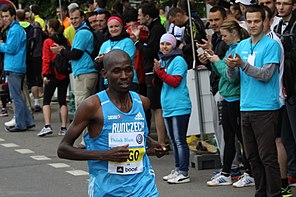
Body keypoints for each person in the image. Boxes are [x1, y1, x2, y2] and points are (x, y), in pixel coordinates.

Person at [57, 49, 167, 196]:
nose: (124, 76)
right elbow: (63, 149)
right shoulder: (93, 106)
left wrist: (151, 144)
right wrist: (104, 155)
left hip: (144, 188)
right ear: (105, 74)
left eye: (128, 70)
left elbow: (133, 134)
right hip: (108, 191)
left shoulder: (142, 102)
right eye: (117, 71)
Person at [226, 5, 282, 196]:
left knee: (267, 157)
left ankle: (274, 193)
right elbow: (233, 77)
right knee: (252, 157)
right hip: (245, 106)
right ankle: (260, 192)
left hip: (265, 107)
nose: (252, 25)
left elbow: (266, 74)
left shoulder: (272, 44)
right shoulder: (241, 45)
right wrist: (231, 66)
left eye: (256, 21)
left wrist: (242, 64)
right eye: (249, 21)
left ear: (266, 21)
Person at [199, 19, 254, 187]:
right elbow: (221, 72)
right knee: (229, 137)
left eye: (224, 35)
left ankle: (250, 173)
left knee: (242, 138)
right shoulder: (230, 48)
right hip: (228, 97)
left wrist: (216, 61)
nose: (222, 39)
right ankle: (226, 172)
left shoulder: (240, 49)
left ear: (234, 33)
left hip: (237, 97)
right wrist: (210, 59)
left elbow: (232, 76)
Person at [153, 33, 191, 184]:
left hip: (180, 106)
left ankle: (184, 171)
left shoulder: (178, 60)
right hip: (168, 106)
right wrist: (158, 72)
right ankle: (177, 169)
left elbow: (175, 81)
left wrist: (160, 72)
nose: (164, 47)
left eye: (168, 44)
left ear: (174, 45)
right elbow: (160, 82)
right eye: (162, 44)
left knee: (180, 140)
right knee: (174, 141)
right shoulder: (164, 61)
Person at [131, 3, 167, 146]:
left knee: (156, 107)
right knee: (155, 106)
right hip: (151, 71)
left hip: (153, 71)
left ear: (147, 16)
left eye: (140, 15)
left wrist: (137, 42)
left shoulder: (157, 28)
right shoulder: (154, 28)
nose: (139, 19)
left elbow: (149, 51)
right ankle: (162, 140)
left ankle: (161, 141)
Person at [0, 5, 35, 132]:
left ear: (13, 16)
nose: (4, 19)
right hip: (16, 65)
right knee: (17, 95)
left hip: (14, 66)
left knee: (16, 97)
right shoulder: (15, 29)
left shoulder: (14, 30)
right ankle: (28, 121)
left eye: (7, 16)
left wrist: (1, 45)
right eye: (3, 16)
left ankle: (21, 124)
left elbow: (11, 49)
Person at [274, 0, 296, 188]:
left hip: (293, 85)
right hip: (283, 88)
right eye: (278, 3)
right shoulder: (278, 25)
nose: (280, 7)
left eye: (285, 3)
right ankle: (292, 172)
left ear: (294, 6)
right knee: (286, 135)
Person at [37, 18, 70, 137]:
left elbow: (46, 59)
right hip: (64, 73)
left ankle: (47, 125)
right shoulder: (65, 41)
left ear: (50, 28)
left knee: (46, 100)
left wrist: (45, 74)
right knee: (62, 101)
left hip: (52, 74)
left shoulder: (48, 42)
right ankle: (63, 127)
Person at [98, 15, 138, 91]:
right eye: (111, 27)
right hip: (109, 82)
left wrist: (106, 58)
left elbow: (126, 60)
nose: (114, 29)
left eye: (116, 26)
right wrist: (99, 60)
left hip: (127, 80)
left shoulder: (128, 42)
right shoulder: (105, 44)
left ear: (122, 27)